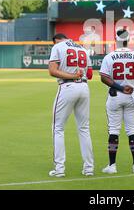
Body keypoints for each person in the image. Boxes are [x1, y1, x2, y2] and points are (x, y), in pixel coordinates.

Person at [100, 30, 134, 174]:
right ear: (128, 40)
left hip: (115, 95)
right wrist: (130, 83)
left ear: (116, 40)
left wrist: (120, 86)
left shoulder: (110, 56)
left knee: (114, 130)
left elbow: (104, 77)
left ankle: (112, 165)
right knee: (132, 130)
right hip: (132, 95)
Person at [48, 33, 94, 177]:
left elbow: (52, 71)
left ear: (57, 40)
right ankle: (89, 168)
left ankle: (59, 169)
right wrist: (78, 73)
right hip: (84, 88)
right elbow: (90, 74)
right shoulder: (82, 49)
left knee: (58, 128)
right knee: (84, 128)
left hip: (68, 87)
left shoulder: (58, 47)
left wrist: (72, 75)